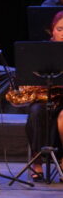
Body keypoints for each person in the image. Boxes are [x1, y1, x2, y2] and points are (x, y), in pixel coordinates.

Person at [24, 10, 63, 180]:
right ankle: (37, 162)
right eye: (60, 29)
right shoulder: (40, 51)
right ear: (52, 31)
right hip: (43, 96)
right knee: (36, 112)